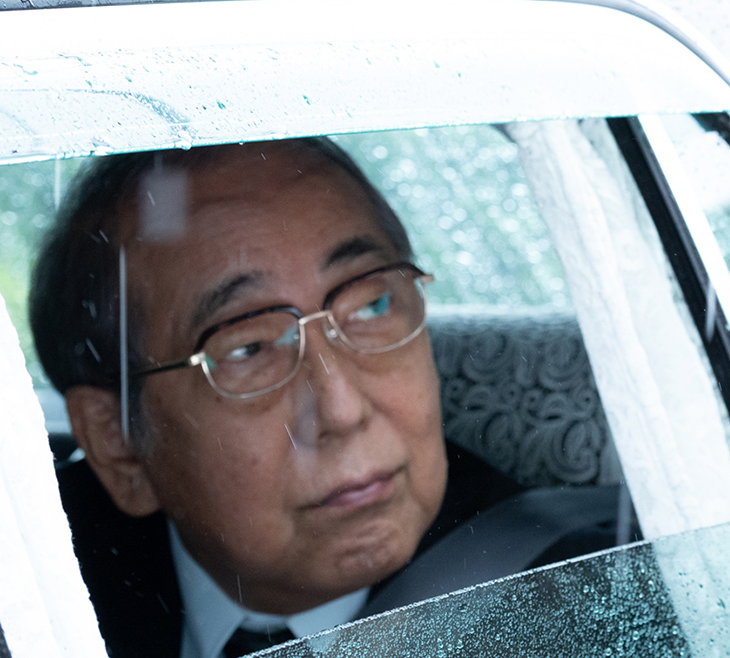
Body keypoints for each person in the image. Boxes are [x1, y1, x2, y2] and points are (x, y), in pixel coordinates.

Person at [31, 139, 615, 658]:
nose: (342, 410)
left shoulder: (583, 605)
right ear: (120, 443)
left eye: (370, 307)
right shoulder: (33, 586)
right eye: (249, 347)